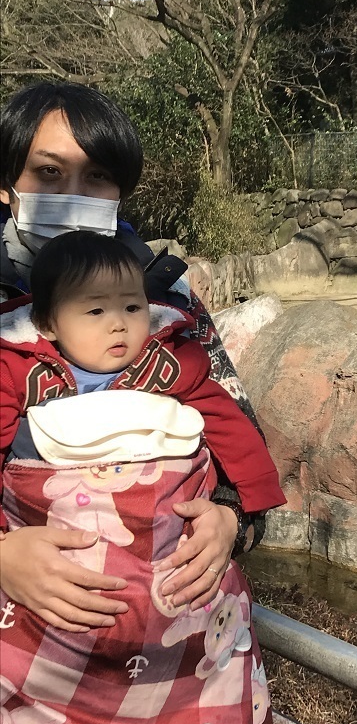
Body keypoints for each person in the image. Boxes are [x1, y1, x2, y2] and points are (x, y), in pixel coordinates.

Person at [0, 230, 285, 724]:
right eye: (94, 311)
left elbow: (231, 423)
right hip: (48, 636)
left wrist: (240, 510)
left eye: (132, 307)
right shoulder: (14, 364)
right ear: (44, 323)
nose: (118, 322)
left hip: (175, 625)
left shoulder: (173, 354)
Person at [0, 81, 266, 632]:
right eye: (48, 173)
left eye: (98, 175)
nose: (74, 192)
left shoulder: (167, 304)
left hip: (159, 622)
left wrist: (230, 523)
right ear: (7, 185)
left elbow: (240, 435)